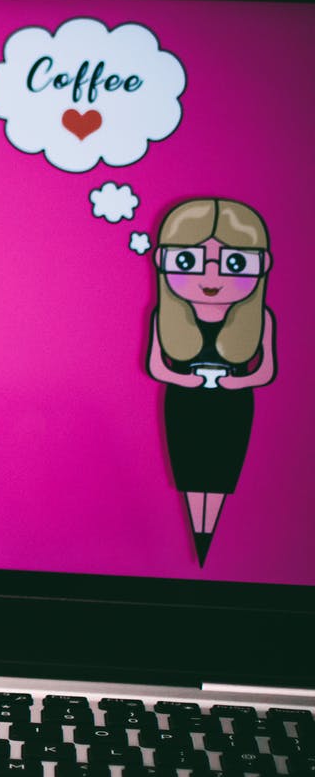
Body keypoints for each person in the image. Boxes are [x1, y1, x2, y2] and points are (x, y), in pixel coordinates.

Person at [145, 198, 276, 566]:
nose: (212, 278)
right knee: (190, 469)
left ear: (262, 264)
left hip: (233, 402)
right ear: (162, 261)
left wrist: (233, 384)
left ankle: (207, 533)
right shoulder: (164, 317)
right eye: (189, 261)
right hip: (184, 400)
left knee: (220, 470)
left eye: (235, 263)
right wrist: (187, 379)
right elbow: (158, 366)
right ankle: (196, 528)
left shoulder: (259, 319)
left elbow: (265, 371)